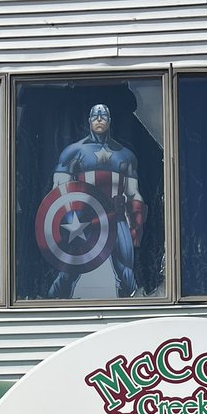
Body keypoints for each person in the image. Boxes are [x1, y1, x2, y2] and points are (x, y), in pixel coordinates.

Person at [45, 103, 146, 299]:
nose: (99, 119)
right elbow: (59, 191)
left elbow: (134, 193)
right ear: (89, 120)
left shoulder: (125, 155)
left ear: (109, 120)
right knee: (70, 267)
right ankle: (52, 299)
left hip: (116, 216)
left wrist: (136, 224)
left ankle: (136, 302)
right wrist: (66, 220)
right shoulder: (74, 152)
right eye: (95, 116)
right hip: (85, 217)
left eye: (103, 116)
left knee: (126, 266)